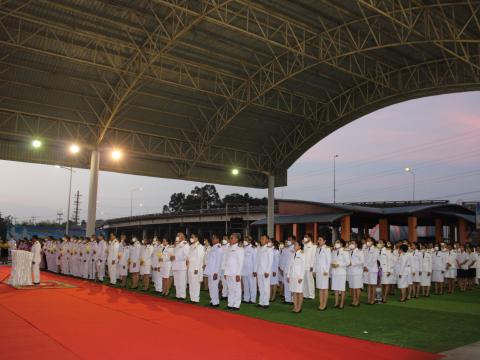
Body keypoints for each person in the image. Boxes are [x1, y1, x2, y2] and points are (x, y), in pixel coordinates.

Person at [224, 233, 244, 311]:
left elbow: (240, 262)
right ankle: (230, 304)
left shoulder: (240, 249)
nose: (230, 239)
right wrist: (225, 272)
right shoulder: (228, 248)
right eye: (230, 237)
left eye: (232, 238)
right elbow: (226, 261)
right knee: (230, 289)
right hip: (229, 272)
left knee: (237, 289)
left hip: (235, 272)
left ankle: (236, 305)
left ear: (236, 239)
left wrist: (238, 274)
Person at [204, 234, 223, 307]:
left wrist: (216, 272)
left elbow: (218, 262)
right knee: (210, 286)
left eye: (214, 238)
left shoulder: (219, 248)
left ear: (218, 239)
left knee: (214, 286)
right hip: (210, 270)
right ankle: (212, 300)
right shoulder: (213, 248)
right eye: (212, 238)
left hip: (215, 271)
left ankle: (216, 302)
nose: (212, 239)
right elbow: (209, 259)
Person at [331, 239, 350, 309]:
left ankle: (342, 303)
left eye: (338, 243)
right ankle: (336, 303)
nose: (336, 244)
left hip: (341, 272)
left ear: (342, 244)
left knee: (342, 289)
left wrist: (339, 265)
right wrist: (332, 264)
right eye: (335, 242)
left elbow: (348, 262)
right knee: (335, 288)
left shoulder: (345, 251)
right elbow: (331, 260)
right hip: (334, 272)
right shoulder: (334, 251)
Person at [255, 234, 273, 308]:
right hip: (259, 270)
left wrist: (267, 271)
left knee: (266, 287)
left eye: (263, 239)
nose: (261, 240)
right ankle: (261, 302)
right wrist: (256, 270)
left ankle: (266, 303)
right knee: (261, 287)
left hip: (265, 271)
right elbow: (257, 260)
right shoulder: (259, 248)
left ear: (267, 240)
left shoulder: (269, 249)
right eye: (261, 238)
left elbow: (270, 261)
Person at [314, 236, 331, 310]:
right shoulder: (317, 249)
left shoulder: (327, 249)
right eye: (318, 240)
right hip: (318, 271)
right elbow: (315, 260)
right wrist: (314, 270)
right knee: (320, 288)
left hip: (324, 272)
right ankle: (321, 303)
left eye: (320, 240)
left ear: (324, 241)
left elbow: (329, 260)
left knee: (324, 288)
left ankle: (324, 304)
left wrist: (326, 271)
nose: (319, 241)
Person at [287, 240, 305, 313]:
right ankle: (295, 306)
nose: (294, 246)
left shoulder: (302, 254)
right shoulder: (293, 254)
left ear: (300, 246)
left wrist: (301, 277)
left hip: (298, 276)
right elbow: (290, 266)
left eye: (296, 245)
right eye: (294, 245)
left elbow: (303, 266)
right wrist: (288, 275)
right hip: (292, 275)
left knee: (299, 292)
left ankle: (299, 307)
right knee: (294, 292)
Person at [187, 233, 205, 303]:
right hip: (190, 267)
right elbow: (189, 256)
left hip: (196, 268)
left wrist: (197, 268)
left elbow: (199, 258)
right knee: (191, 283)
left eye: (193, 237)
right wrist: (187, 260)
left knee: (196, 284)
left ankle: (196, 299)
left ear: (197, 238)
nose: (191, 238)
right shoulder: (191, 246)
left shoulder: (200, 247)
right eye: (191, 237)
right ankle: (192, 298)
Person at [172, 232, 189, 300]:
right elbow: (173, 253)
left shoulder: (185, 244)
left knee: (182, 281)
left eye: (179, 236)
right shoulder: (176, 244)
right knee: (176, 281)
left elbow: (186, 256)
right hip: (175, 265)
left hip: (181, 266)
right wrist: (172, 257)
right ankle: (178, 295)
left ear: (183, 237)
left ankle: (182, 295)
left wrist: (176, 258)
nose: (177, 237)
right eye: (177, 235)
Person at [347, 240, 364, 307]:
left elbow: (362, 261)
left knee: (357, 287)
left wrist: (353, 263)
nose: (351, 244)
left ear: (356, 245)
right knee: (352, 287)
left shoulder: (360, 252)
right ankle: (353, 300)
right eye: (351, 243)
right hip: (350, 272)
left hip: (357, 272)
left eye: (353, 243)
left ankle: (357, 301)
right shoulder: (349, 251)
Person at [279, 235, 295, 304]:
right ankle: (287, 299)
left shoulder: (294, 248)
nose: (288, 241)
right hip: (285, 269)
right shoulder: (285, 249)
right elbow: (282, 259)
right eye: (288, 240)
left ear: (294, 240)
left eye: (290, 240)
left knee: (291, 285)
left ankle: (292, 300)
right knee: (286, 284)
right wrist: (281, 268)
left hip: (291, 270)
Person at [363, 237, 379, 305]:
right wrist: (364, 266)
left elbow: (374, 259)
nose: (368, 242)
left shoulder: (376, 249)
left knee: (373, 285)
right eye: (367, 241)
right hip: (366, 269)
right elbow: (363, 258)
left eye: (369, 241)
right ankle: (369, 299)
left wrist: (367, 267)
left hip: (372, 269)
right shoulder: (365, 249)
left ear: (372, 242)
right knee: (368, 285)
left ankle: (373, 299)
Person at [242, 236, 257, 304]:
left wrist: (254, 270)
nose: (244, 241)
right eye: (244, 239)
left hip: (251, 270)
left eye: (246, 240)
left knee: (252, 285)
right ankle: (246, 298)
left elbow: (255, 260)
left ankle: (253, 299)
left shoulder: (253, 248)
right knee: (245, 285)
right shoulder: (243, 248)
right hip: (244, 270)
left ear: (250, 241)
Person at [302, 234, 316, 300]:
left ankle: (311, 295)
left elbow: (313, 257)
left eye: (306, 237)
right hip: (304, 266)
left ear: (310, 238)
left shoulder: (313, 246)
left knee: (310, 280)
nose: (305, 238)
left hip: (309, 266)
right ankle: (305, 294)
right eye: (304, 237)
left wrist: (312, 266)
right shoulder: (304, 245)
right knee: (304, 281)